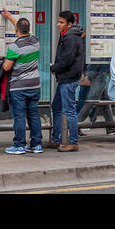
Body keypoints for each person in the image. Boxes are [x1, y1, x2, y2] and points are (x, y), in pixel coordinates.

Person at [1, 8, 42, 155]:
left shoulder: (14, 47)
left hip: (19, 87)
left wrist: (5, 58)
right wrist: (10, 17)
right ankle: (36, 144)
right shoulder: (35, 41)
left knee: (19, 116)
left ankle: (19, 145)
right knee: (33, 115)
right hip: (35, 85)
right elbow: (22, 29)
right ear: (29, 29)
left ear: (17, 31)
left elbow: (7, 67)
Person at [48, 10, 85, 151]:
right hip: (67, 77)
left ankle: (73, 142)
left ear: (69, 24)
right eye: (58, 21)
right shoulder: (70, 35)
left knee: (69, 110)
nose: (58, 25)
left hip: (68, 78)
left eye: (61, 22)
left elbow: (67, 59)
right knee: (56, 107)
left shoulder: (70, 37)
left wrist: (54, 68)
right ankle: (56, 139)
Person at [76, 65, 115, 137]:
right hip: (98, 72)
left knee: (104, 99)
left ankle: (111, 127)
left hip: (94, 71)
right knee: (91, 101)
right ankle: (75, 125)